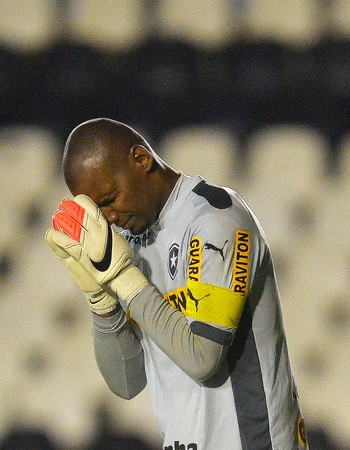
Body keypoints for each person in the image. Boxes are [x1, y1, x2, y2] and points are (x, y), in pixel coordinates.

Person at [45, 118, 308, 450]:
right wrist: (99, 297)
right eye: (99, 209)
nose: (108, 217)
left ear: (141, 160)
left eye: (110, 197)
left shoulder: (216, 221)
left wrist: (122, 278)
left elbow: (204, 359)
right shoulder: (131, 243)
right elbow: (126, 382)